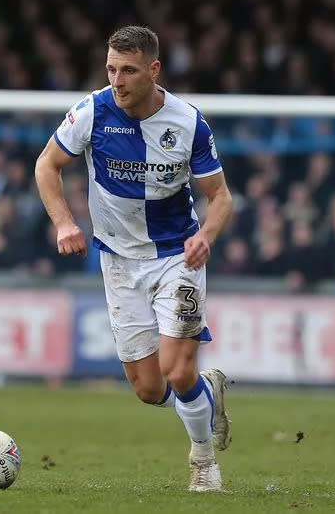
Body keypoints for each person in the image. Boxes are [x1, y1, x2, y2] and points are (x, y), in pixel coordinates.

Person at [35, 25, 233, 492]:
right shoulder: (91, 112)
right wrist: (64, 222)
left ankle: (203, 462)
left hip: (176, 257)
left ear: (153, 69)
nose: (117, 81)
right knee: (148, 389)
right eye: (110, 70)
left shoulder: (188, 123)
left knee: (176, 368)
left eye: (127, 70)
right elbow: (47, 165)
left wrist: (207, 234)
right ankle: (206, 395)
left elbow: (220, 195)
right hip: (119, 261)